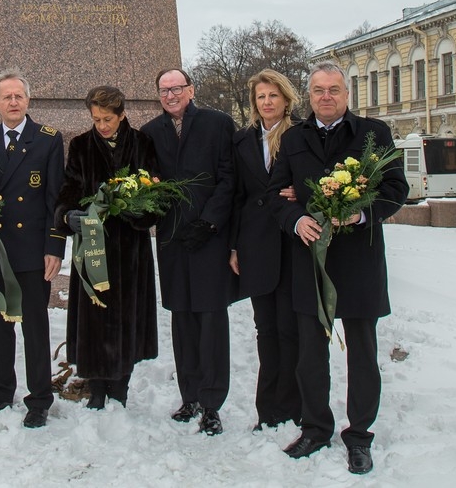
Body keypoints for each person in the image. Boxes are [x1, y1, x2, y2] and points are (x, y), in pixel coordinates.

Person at [270, 61, 408, 474]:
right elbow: (274, 194)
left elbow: (396, 188)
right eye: (317, 90)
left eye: (333, 89)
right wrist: (295, 218)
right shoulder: (294, 138)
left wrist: (361, 215)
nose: (325, 97)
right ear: (308, 96)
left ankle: (360, 435)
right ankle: (315, 428)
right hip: (310, 259)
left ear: (347, 95)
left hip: (360, 259)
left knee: (362, 353)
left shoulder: (374, 134)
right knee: (310, 353)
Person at [0, 69, 66, 429]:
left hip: (31, 251)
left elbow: (56, 198)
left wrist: (55, 247)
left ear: (28, 101)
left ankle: (39, 397)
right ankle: (0, 390)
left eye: (18, 96)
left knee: (35, 327)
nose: (13, 102)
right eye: (6, 97)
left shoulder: (48, 140)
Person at [141, 68, 235, 436]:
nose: (170, 95)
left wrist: (210, 222)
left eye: (176, 88)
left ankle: (212, 403)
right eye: (164, 90)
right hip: (172, 240)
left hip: (209, 237)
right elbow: (150, 184)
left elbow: (228, 178)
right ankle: (190, 395)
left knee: (211, 320)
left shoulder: (218, 124)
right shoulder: (151, 133)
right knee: (182, 319)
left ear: (190, 90)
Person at [53, 86, 161, 410]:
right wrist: (68, 215)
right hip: (92, 249)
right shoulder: (81, 146)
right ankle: (96, 389)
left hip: (130, 251)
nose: (102, 125)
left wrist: (132, 208)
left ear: (122, 114)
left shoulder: (142, 144)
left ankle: (120, 388)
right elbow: (68, 191)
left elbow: (156, 197)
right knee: (94, 317)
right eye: (96, 118)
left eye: (108, 119)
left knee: (127, 317)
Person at [229, 69, 302, 432]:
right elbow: (236, 196)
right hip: (255, 245)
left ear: (286, 99)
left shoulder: (302, 135)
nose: (268, 102)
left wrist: (301, 193)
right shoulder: (242, 141)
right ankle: (267, 410)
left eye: (274, 95)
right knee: (266, 331)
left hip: (292, 244)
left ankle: (292, 407)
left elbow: (321, 180)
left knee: (291, 330)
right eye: (261, 97)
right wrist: (233, 245)